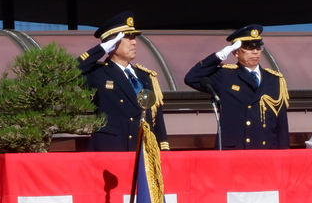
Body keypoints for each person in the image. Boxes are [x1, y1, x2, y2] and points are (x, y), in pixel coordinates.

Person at [184, 24, 290, 150]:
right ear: (235, 52)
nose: (254, 51)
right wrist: (220, 55)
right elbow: (192, 78)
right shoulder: (225, 76)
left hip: (266, 151)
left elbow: (281, 124)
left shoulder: (274, 79)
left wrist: (284, 156)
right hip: (235, 151)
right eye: (248, 47)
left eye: (257, 46)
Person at [78, 11, 170, 152]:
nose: (134, 42)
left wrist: (163, 149)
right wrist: (101, 49)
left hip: (143, 152)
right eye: (128, 37)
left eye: (134, 38)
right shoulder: (97, 73)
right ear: (112, 42)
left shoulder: (145, 76)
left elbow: (157, 119)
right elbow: (70, 71)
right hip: (112, 151)